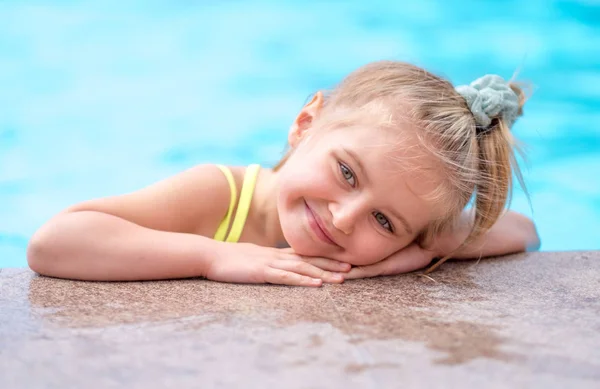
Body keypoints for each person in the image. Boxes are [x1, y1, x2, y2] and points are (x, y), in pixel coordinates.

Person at [26, 60, 540, 287]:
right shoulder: (221, 196)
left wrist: (421, 248)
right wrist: (213, 256)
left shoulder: (408, 241)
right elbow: (56, 241)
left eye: (385, 222)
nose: (344, 218)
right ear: (305, 123)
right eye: (347, 172)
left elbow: (525, 231)